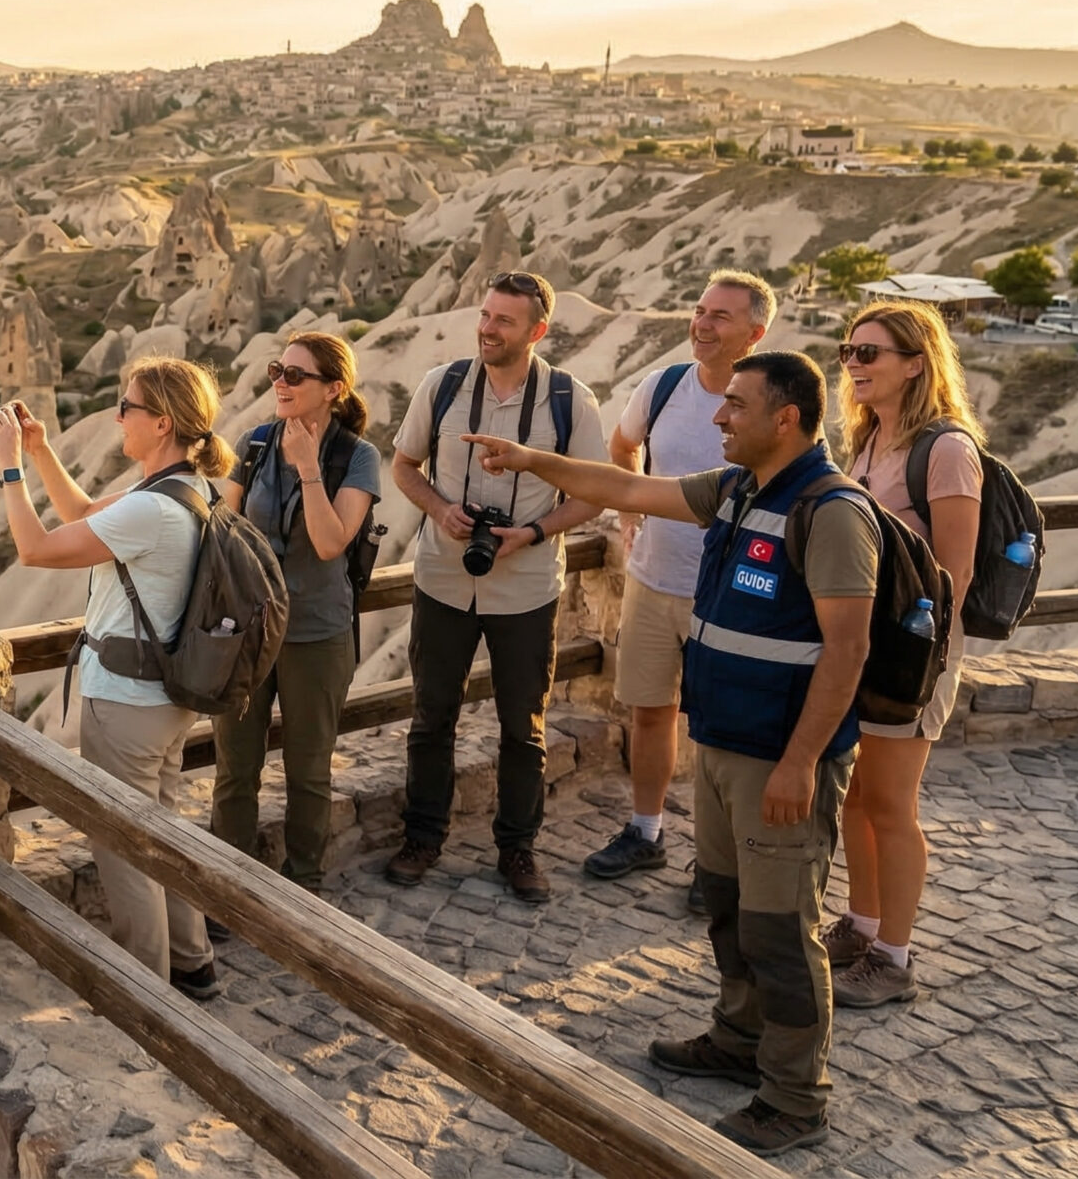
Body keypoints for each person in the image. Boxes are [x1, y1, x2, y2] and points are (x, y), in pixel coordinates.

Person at [462, 350, 876, 1157]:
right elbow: (623, 487)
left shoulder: (830, 512)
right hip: (723, 743)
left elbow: (848, 650)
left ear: (784, 419)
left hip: (778, 758)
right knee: (727, 902)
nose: (717, 418)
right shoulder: (737, 490)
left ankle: (795, 1096)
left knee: (783, 929)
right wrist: (527, 458)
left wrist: (799, 763)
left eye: (736, 407)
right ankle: (738, 1035)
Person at [0, 356, 232, 1001]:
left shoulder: (152, 510)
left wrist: (9, 465)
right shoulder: (187, 488)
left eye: (125, 407)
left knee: (126, 850)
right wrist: (42, 456)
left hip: (125, 702)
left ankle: (145, 995)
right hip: (166, 697)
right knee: (161, 829)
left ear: (159, 422)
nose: (116, 417)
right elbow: (87, 513)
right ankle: (193, 963)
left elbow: (38, 548)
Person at [386, 271, 608, 902]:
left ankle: (518, 849)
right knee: (432, 718)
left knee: (523, 727)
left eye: (504, 320)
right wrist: (439, 509)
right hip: (442, 579)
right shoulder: (444, 385)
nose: (487, 328)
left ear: (537, 331)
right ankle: (423, 836)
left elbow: (593, 494)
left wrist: (532, 532)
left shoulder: (570, 401)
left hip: (528, 589)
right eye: (485, 315)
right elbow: (404, 466)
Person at [586, 272, 773, 905]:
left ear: (756, 331)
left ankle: (719, 863)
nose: (703, 323)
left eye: (721, 315)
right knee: (649, 712)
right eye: (700, 310)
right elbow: (622, 447)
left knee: (723, 732)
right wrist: (629, 510)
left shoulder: (771, 402)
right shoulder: (662, 386)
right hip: (652, 580)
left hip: (730, 596)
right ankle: (647, 831)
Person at [825, 300, 982, 1009]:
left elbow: (954, 571)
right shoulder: (869, 442)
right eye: (848, 351)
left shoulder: (944, 450)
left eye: (870, 354)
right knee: (860, 797)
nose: (853, 366)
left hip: (911, 659)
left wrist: (909, 660)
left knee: (891, 803)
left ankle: (895, 956)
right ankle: (861, 925)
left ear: (915, 364)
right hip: (867, 649)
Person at [216, 332, 380, 893]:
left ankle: (302, 885)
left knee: (308, 773)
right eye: (276, 372)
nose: (280, 384)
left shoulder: (356, 456)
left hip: (316, 634)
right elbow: (224, 531)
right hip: (249, 635)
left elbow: (332, 542)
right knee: (236, 771)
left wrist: (309, 468)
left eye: (295, 375)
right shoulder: (256, 445)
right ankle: (226, 887)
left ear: (334, 389)